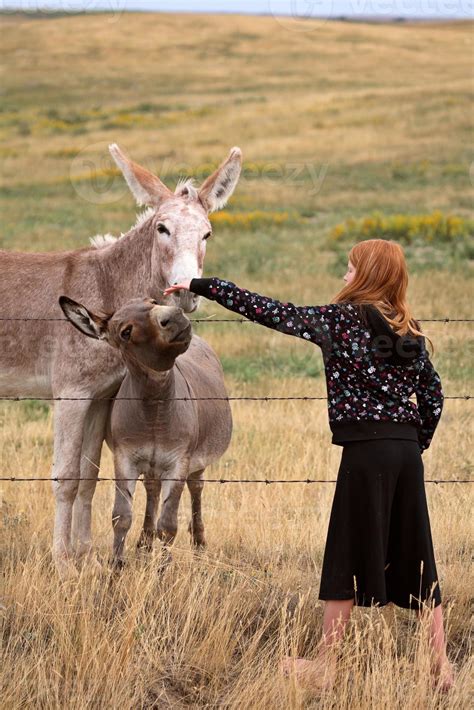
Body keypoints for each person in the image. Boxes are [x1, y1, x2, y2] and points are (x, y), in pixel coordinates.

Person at [163, 238, 455, 692]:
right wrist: (417, 443)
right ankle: (440, 668)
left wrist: (205, 285)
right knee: (417, 554)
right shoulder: (408, 332)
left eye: (350, 269)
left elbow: (271, 311)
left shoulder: (338, 322)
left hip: (365, 452)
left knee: (345, 551)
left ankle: (326, 665)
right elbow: (433, 397)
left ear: (369, 275)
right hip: (404, 453)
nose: (344, 276)